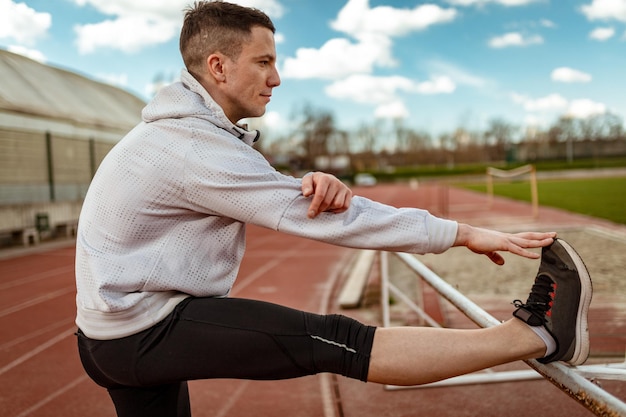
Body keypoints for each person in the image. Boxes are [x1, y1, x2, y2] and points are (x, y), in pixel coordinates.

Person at [74, 2, 593, 416]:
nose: (276, 78)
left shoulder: (187, 135)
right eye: (263, 62)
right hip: (142, 330)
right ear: (218, 67)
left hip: (110, 333)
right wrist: (460, 232)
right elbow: (331, 221)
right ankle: (535, 337)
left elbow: (262, 190)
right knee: (338, 340)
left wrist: (304, 184)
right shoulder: (189, 144)